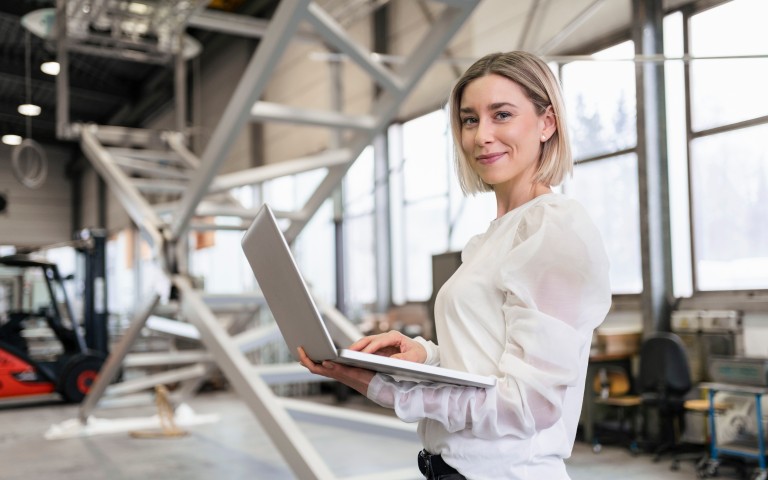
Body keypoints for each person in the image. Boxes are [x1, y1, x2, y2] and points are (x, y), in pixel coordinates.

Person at [298, 51, 612, 480]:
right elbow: (485, 364)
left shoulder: (552, 230)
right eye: (469, 120)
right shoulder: (494, 237)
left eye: (501, 115)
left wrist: (390, 390)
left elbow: (527, 405)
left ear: (547, 123)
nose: (482, 135)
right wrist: (424, 358)